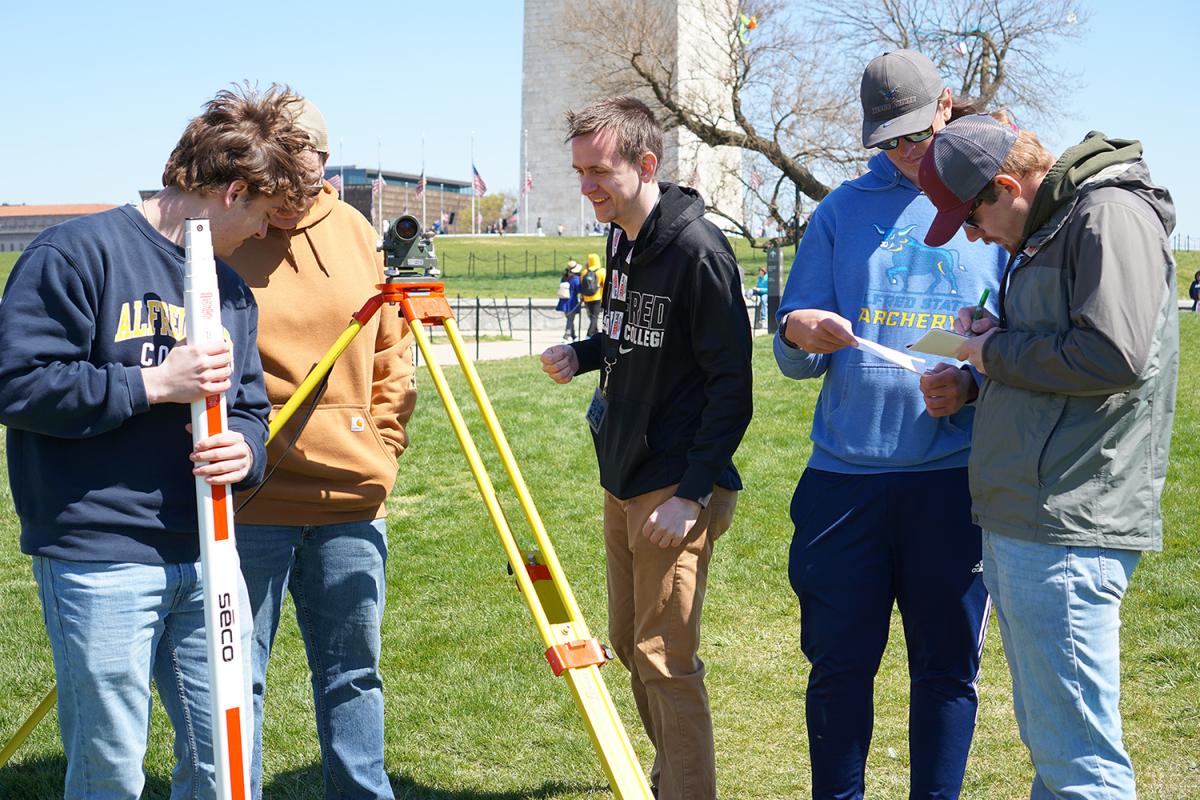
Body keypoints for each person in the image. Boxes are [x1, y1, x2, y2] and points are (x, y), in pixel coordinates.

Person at [0, 84, 311, 799]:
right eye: (264, 215)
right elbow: (17, 385)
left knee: (227, 756)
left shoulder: (231, 291)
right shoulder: (77, 254)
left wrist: (247, 450)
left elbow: (253, 409)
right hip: (101, 555)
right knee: (111, 762)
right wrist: (149, 385)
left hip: (208, 551)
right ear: (233, 191)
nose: (265, 233)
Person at [919, 113, 1178, 799]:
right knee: (1058, 751)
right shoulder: (1054, 229)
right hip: (1033, 514)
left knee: (1081, 767)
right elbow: (1063, 350)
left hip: (1069, 519)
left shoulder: (1106, 215)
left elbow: (1114, 354)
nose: (974, 236)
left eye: (971, 219)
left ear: (1007, 185)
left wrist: (992, 350)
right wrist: (990, 348)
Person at [774, 50, 1008, 799]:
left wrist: (969, 384)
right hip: (844, 483)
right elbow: (791, 348)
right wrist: (801, 330)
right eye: (889, 141)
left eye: (916, 133)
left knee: (945, 671)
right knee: (840, 668)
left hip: (951, 485)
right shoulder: (840, 211)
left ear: (946, 107)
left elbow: (1020, 342)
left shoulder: (993, 208)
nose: (906, 153)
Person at [541, 96, 752, 800]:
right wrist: (585, 352)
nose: (587, 187)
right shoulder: (621, 236)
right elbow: (640, 337)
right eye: (579, 172)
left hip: (673, 486)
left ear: (646, 164)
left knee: (665, 660)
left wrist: (691, 494)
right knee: (632, 646)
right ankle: (671, 783)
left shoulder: (699, 252)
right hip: (623, 475)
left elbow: (732, 388)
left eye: (599, 171)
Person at [224, 98, 416, 800]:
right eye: (271, 192)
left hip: (351, 501)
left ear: (321, 168)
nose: (283, 207)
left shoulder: (358, 233)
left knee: (353, 674)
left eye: (298, 189)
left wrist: (382, 446)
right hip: (251, 502)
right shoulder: (226, 233)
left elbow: (396, 352)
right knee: (237, 673)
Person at [555, 259, 583, 342]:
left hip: (563, 302)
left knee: (570, 319)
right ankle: (566, 335)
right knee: (570, 319)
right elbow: (579, 289)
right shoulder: (575, 279)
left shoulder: (564, 278)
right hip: (572, 302)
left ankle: (573, 335)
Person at [580, 251, 606, 336]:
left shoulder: (584, 272)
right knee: (595, 317)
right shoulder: (601, 271)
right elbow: (605, 284)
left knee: (591, 317)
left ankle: (595, 333)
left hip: (586, 298)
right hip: (597, 297)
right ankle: (589, 334)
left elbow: (581, 284)